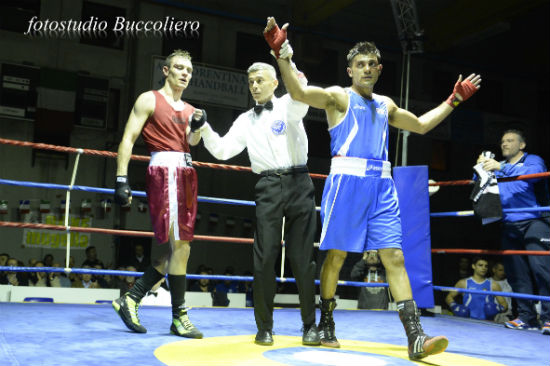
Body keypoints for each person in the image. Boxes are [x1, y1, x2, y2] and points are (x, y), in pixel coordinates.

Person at [265, 17, 481, 359]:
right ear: (350, 70)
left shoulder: (386, 105)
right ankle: (328, 320)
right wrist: (281, 53)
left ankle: (415, 337)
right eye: (359, 65)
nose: (365, 69)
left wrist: (453, 100)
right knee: (335, 256)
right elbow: (299, 92)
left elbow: (422, 126)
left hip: (382, 185)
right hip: (346, 182)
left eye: (371, 64)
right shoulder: (339, 97)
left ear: (379, 69)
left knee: (394, 255)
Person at [197, 60, 319, 345]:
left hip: (299, 181)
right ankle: (264, 327)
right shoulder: (245, 120)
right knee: (264, 259)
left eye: (260, 81)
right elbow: (224, 150)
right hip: (267, 187)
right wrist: (204, 128)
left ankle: (309, 326)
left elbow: (301, 88)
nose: (254, 86)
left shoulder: (291, 102)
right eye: (250, 82)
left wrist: (285, 55)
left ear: (275, 83)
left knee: (302, 260)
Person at [111, 49, 206, 339]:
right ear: (166, 71)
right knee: (181, 247)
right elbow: (128, 137)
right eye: (178, 67)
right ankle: (179, 317)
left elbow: (192, 142)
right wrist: (121, 178)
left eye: (188, 70)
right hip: (165, 173)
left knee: (180, 249)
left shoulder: (191, 110)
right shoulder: (149, 99)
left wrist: (199, 128)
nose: (184, 73)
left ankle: (130, 298)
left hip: (187, 173)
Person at [476, 129, 550, 334]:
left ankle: (549, 317)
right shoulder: (497, 166)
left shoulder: (533, 160)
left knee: (542, 269)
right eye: (502, 141)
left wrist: (500, 166)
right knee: (517, 275)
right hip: (508, 224)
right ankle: (526, 317)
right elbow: (479, 184)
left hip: (534, 221)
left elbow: (533, 176)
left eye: (510, 140)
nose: (505, 144)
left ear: (522, 145)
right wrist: (480, 167)